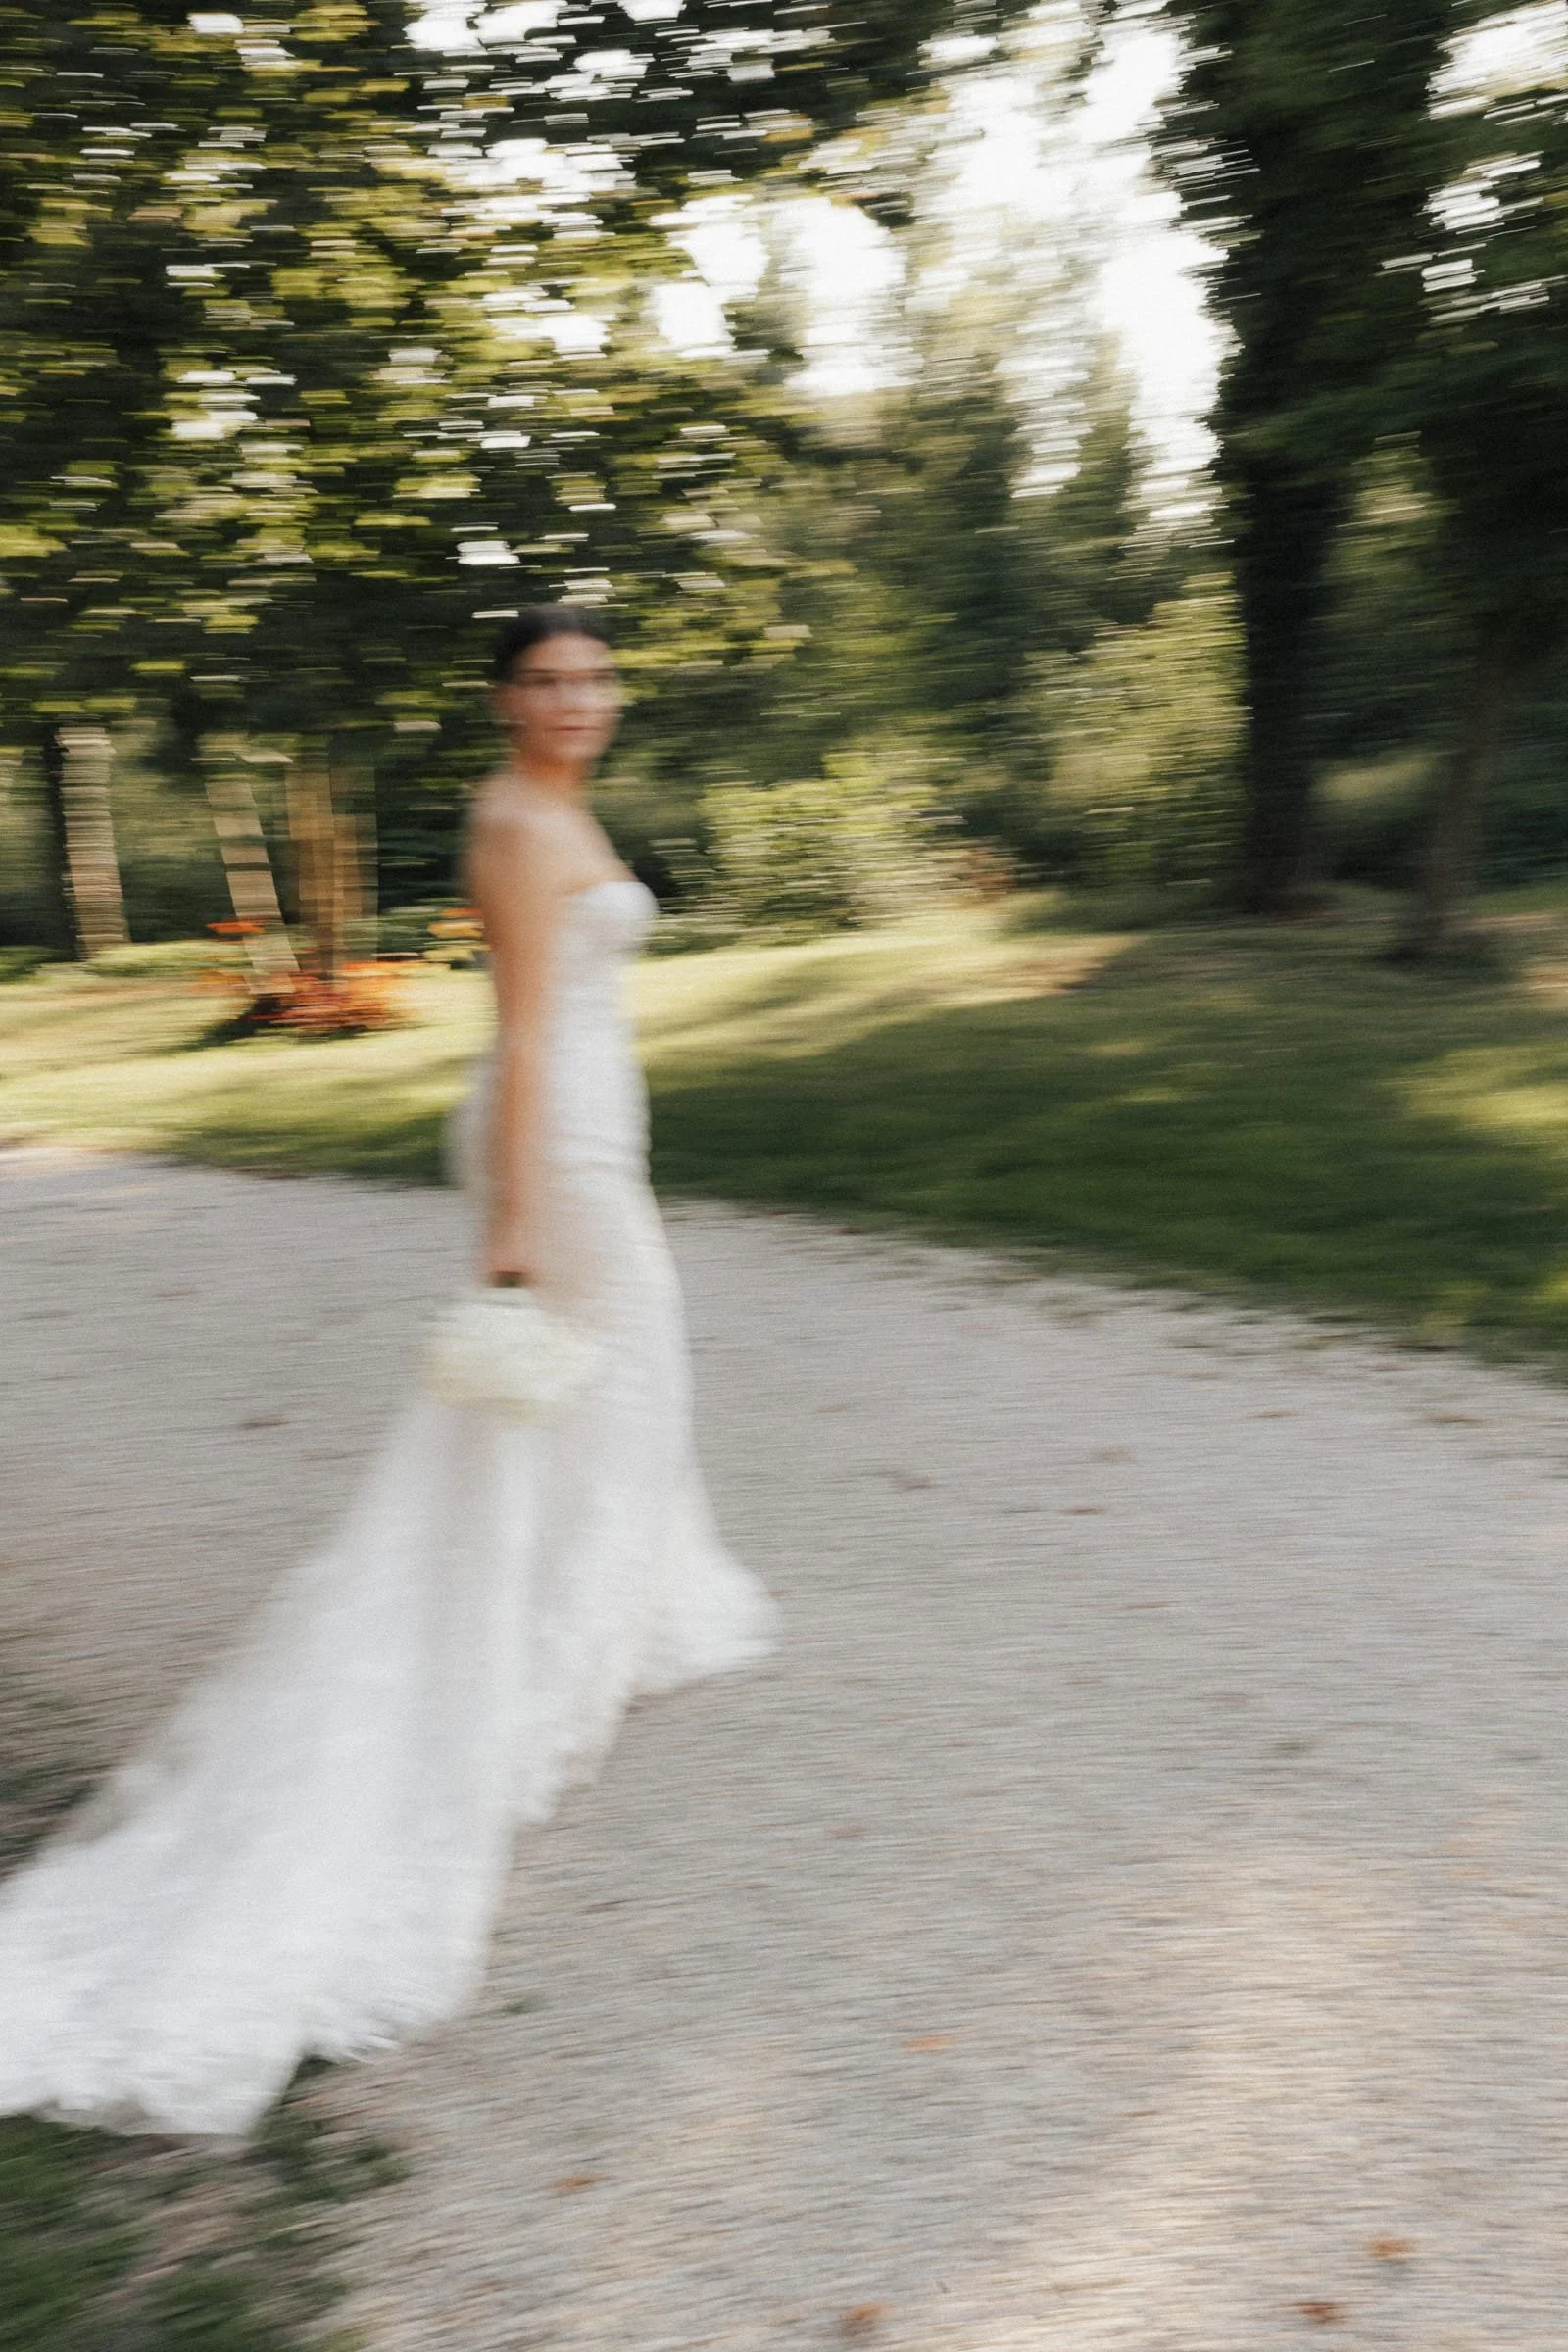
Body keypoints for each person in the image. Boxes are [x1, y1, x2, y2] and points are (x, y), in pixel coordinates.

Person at [0, 605, 778, 2138]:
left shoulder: (563, 802)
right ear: (503, 701)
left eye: (593, 678)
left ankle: (589, 1606)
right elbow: (531, 1019)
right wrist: (508, 1227)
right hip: (549, 1140)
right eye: (547, 681)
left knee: (601, 1393)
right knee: (586, 1383)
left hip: (588, 1122)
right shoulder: (510, 819)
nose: (575, 700)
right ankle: (534, 1640)